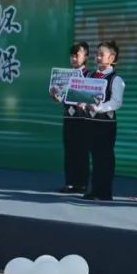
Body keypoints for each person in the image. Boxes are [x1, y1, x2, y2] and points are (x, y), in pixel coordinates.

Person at [83, 42, 125, 202]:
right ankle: (94, 189)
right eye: (97, 54)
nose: (98, 57)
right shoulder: (89, 76)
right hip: (89, 121)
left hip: (106, 123)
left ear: (112, 58)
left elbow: (116, 102)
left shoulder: (115, 79)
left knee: (105, 157)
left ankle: (105, 192)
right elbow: (81, 95)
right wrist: (81, 103)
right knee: (94, 156)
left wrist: (98, 108)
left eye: (102, 54)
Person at [54, 42, 91, 194]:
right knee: (69, 150)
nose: (74, 59)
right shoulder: (65, 76)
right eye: (71, 56)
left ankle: (82, 184)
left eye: (77, 55)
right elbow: (60, 96)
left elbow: (92, 97)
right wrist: (56, 96)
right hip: (68, 117)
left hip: (83, 119)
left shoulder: (89, 75)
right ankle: (69, 183)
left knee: (82, 151)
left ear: (86, 57)